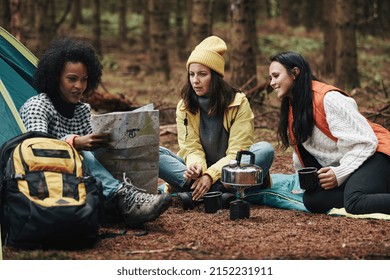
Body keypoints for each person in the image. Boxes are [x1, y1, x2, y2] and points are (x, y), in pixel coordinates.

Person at [19, 37, 172, 227]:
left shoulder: (82, 109)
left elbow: (98, 154)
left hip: (95, 181)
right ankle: (125, 198)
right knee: (82, 154)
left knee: (152, 148)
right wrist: (75, 143)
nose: (79, 86)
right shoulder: (37, 106)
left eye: (84, 80)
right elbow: (38, 151)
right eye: (72, 79)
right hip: (60, 185)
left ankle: (192, 182)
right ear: (55, 77)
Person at [268, 51, 390, 214]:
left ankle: (362, 193)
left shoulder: (328, 99)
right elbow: (301, 154)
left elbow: (367, 142)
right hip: (355, 164)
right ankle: (370, 192)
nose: (271, 83)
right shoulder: (292, 109)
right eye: (270, 78)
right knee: (312, 200)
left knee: (354, 202)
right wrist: (305, 180)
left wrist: (338, 173)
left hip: (378, 154)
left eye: (276, 76)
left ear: (295, 72)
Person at [159, 35, 274, 201]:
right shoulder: (184, 106)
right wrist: (196, 168)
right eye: (191, 74)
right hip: (201, 174)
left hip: (229, 174)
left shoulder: (238, 102)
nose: (195, 80)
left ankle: (204, 191)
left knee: (265, 150)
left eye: (202, 74)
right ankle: (215, 193)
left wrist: (210, 176)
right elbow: (191, 147)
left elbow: (238, 151)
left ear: (215, 76)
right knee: (156, 153)